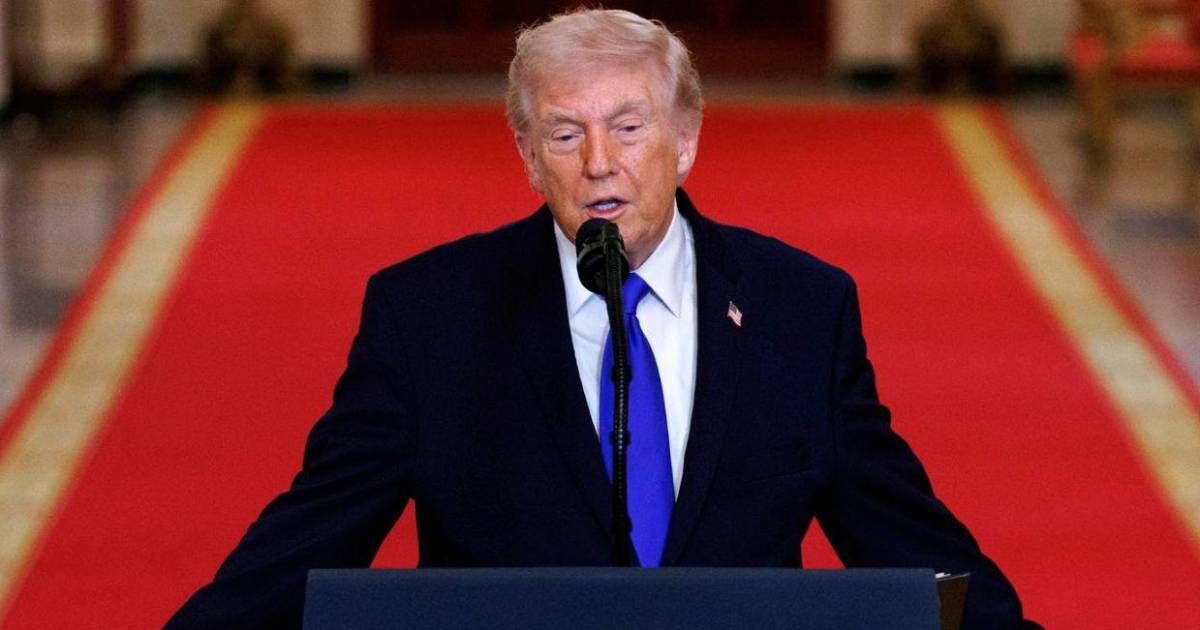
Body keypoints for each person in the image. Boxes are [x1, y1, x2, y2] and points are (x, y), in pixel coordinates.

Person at [167, 9, 1039, 629]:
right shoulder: (428, 317)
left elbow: (904, 536)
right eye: (563, 135)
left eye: (628, 128)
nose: (598, 163)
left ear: (685, 140)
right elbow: (308, 540)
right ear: (526, 155)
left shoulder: (800, 309)